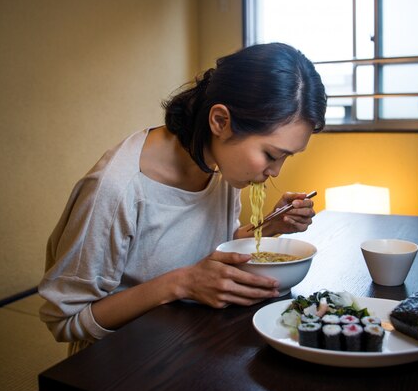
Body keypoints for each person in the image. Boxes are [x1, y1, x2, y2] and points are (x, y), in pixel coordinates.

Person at [39, 42, 327, 355]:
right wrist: (180, 283)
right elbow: (65, 321)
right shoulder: (116, 189)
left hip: (188, 344)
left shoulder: (219, 163)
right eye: (271, 154)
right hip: (121, 366)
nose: (275, 171)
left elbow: (209, 246)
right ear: (220, 121)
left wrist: (269, 227)